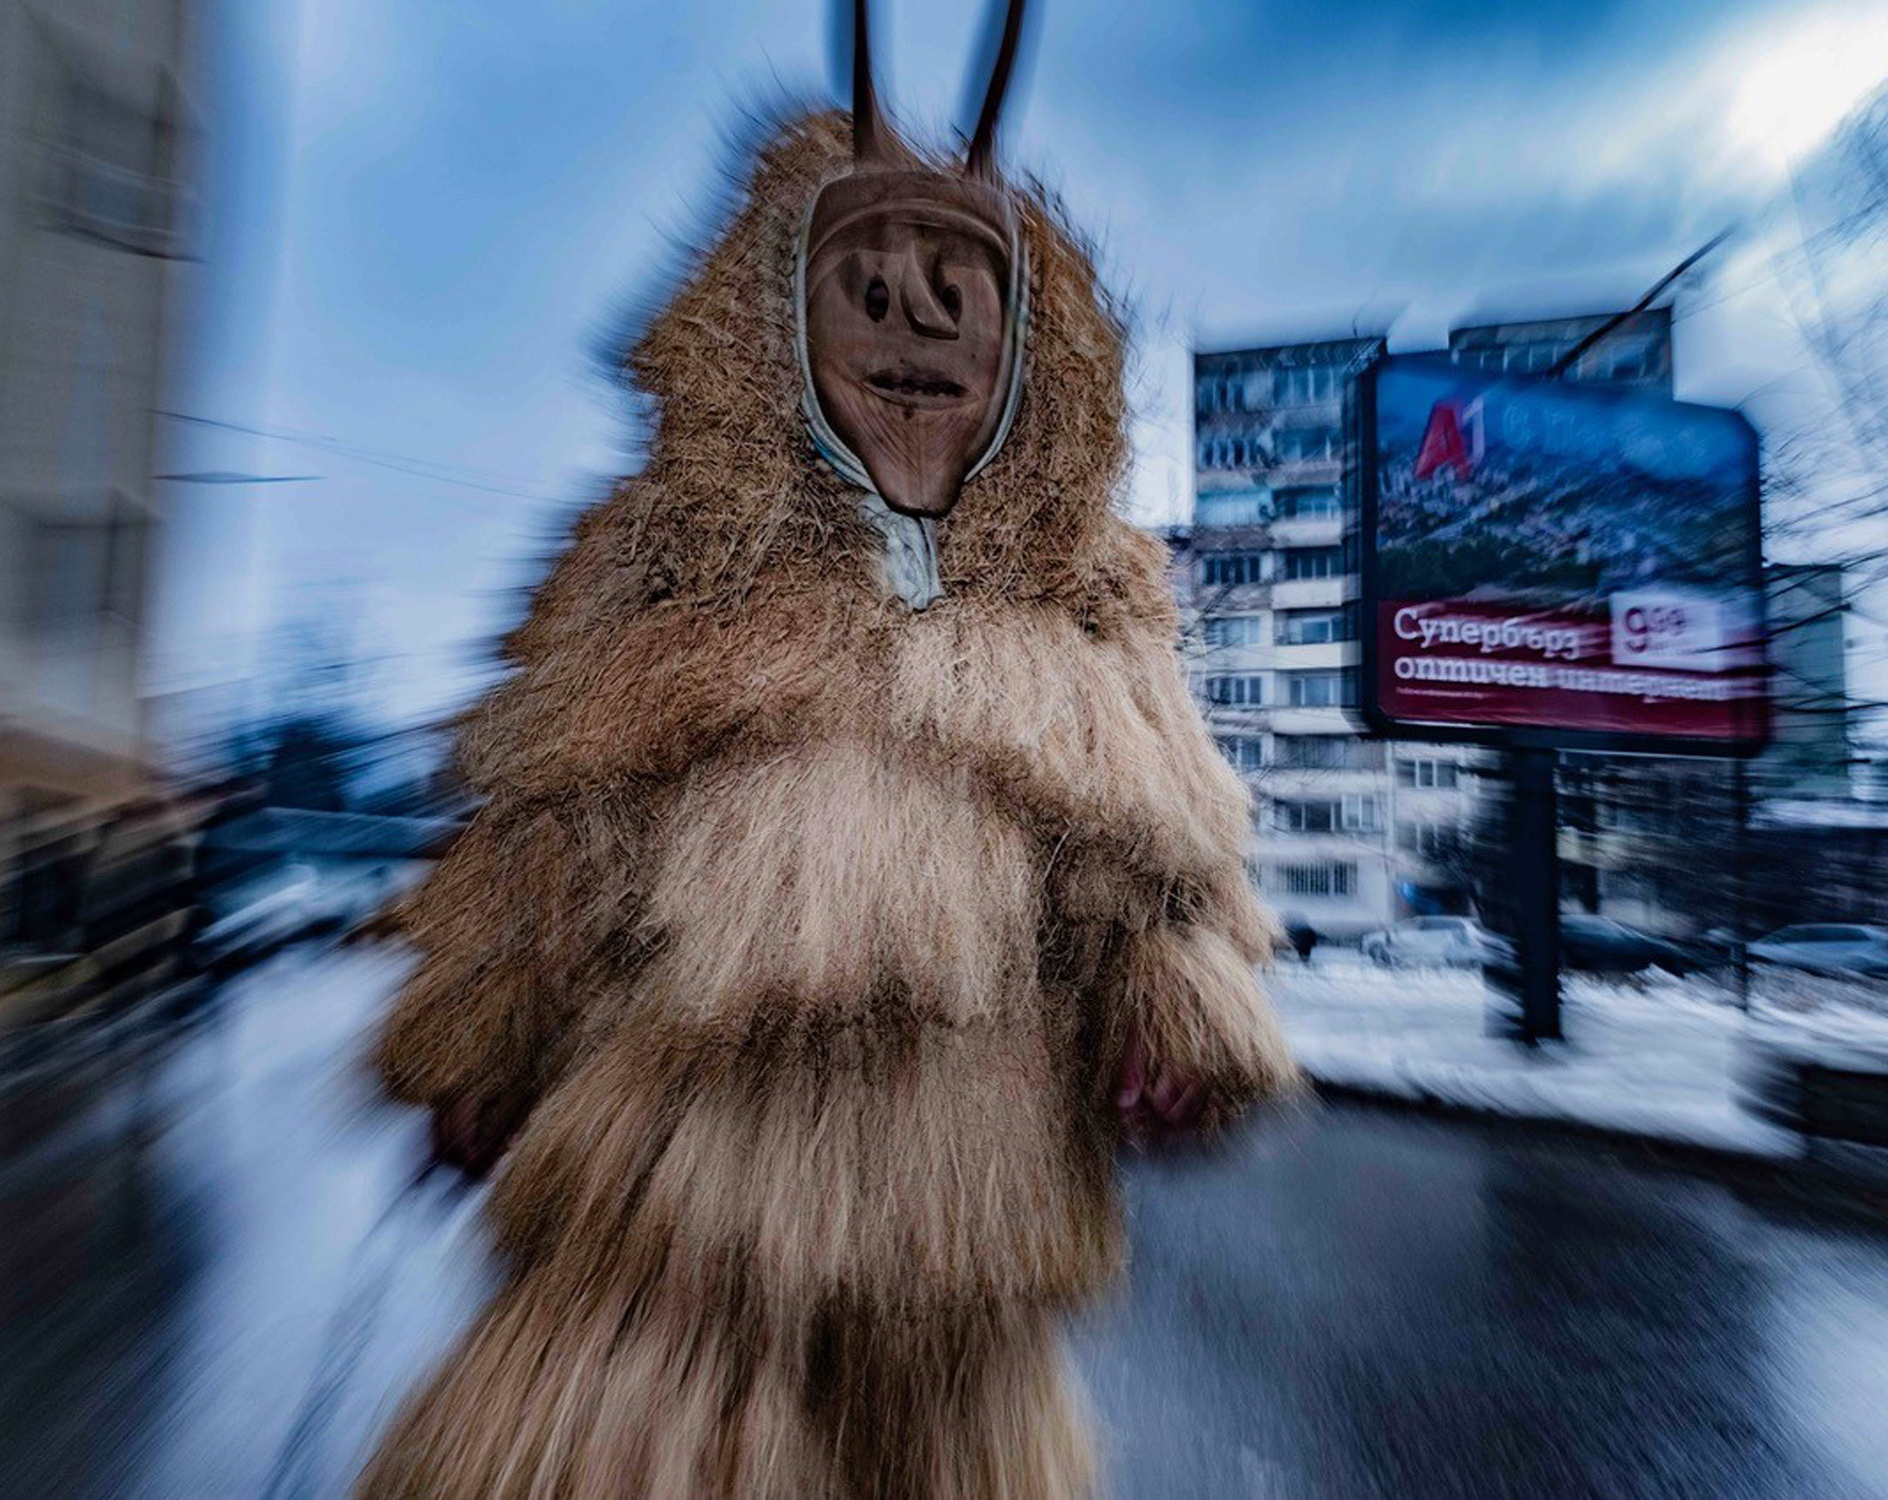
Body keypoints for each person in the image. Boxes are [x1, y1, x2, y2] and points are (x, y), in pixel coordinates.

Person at [360, 5, 1294, 1494]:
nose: (913, 317)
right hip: (671, 1232)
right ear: (777, 329)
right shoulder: (658, 573)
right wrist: (482, 1028)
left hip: (965, 1271)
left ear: (1028, 355)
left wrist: (1175, 1028)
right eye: (866, 284)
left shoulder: (1098, 611)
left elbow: (1161, 881)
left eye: (955, 286)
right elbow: (542, 837)